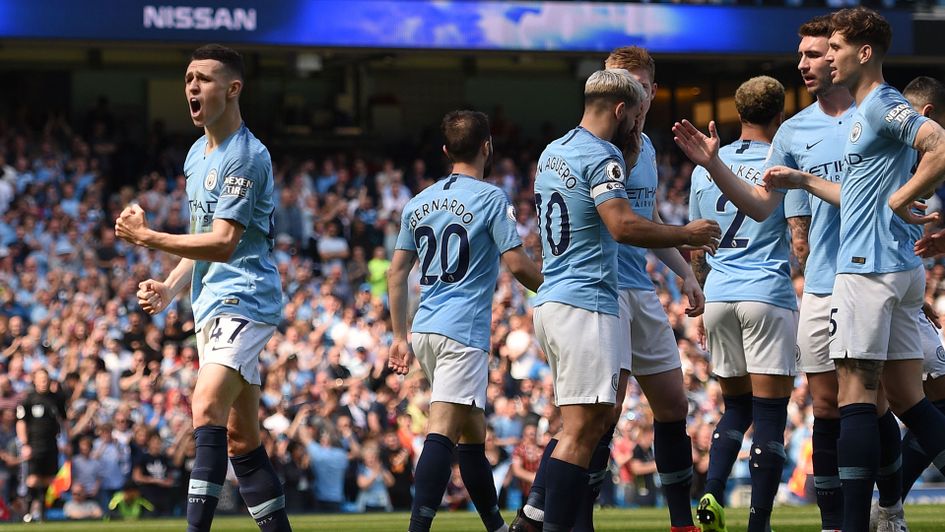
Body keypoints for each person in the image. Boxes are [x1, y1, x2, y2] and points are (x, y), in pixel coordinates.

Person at [759, 8, 945, 531]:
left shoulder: (884, 105)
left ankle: (856, 525)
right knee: (910, 401)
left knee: (856, 396)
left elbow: (940, 146)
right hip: (896, 269)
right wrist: (803, 179)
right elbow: (861, 192)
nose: (829, 56)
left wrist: (899, 198)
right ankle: (883, 514)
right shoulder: (866, 111)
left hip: (868, 268)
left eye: (835, 48)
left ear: (863, 53)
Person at [511, 47, 706, 532]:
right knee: (597, 417)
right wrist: (689, 234)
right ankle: (551, 516)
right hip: (597, 291)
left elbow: (649, 217)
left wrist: (684, 271)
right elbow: (623, 225)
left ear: (649, 92)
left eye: (638, 85)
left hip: (629, 287)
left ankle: (678, 521)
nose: (631, 93)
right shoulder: (601, 152)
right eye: (621, 83)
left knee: (670, 403)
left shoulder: (620, 151)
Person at [114, 44, 291, 532]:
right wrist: (171, 287)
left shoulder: (247, 156)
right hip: (209, 305)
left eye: (204, 79)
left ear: (233, 89)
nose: (192, 87)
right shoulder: (197, 154)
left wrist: (148, 237)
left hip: (246, 298)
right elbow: (199, 239)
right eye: (189, 78)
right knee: (242, 440)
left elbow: (223, 242)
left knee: (206, 403)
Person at [387, 109, 543, 532]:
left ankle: (496, 527)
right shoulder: (492, 199)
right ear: (487, 147)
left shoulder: (417, 202)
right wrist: (553, 287)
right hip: (462, 332)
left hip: (425, 330)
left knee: (473, 435)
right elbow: (518, 265)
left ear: (444, 151)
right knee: (441, 432)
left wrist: (399, 336)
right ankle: (417, 528)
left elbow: (396, 272)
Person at [677, 75, 807, 532]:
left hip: (719, 295)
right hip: (766, 294)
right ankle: (758, 523)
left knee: (735, 409)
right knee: (770, 413)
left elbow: (697, 242)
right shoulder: (783, 161)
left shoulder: (704, 166)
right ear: (780, 116)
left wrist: (700, 293)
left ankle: (710, 491)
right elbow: (798, 234)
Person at [899, 75, 945, 502]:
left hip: (878, 293)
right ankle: (887, 503)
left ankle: (877, 508)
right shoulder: (905, 160)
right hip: (883, 292)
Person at [16, 368, 68, 523]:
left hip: (51, 444)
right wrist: (25, 444)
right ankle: (27, 513)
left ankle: (43, 514)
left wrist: (67, 441)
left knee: (48, 479)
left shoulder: (56, 398)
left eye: (46, 379)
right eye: (41, 379)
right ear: (35, 381)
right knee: (32, 479)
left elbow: (63, 421)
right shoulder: (28, 399)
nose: (44, 382)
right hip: (34, 444)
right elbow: (21, 423)